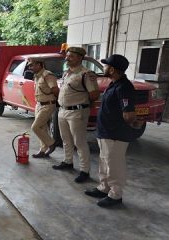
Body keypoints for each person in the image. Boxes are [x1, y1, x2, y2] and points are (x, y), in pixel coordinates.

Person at [84, 54, 142, 207]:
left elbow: (129, 114)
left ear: (113, 69)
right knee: (104, 162)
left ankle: (116, 195)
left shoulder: (124, 87)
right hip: (105, 132)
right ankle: (104, 188)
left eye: (106, 65)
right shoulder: (114, 83)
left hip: (116, 134)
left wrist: (133, 122)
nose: (104, 67)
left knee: (114, 165)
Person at [53, 47, 100, 183]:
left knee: (79, 142)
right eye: (67, 56)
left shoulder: (86, 74)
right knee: (65, 139)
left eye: (71, 56)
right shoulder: (67, 73)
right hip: (63, 110)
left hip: (77, 112)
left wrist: (83, 104)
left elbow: (94, 94)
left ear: (80, 58)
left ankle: (84, 170)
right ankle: (67, 161)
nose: (67, 58)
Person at [28, 58, 59, 158]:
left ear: (39, 64)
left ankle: (51, 143)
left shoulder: (47, 75)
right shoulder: (37, 76)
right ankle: (43, 150)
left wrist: (58, 102)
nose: (30, 67)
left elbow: (55, 89)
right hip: (39, 104)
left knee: (35, 127)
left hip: (48, 104)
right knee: (42, 128)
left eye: (32, 65)